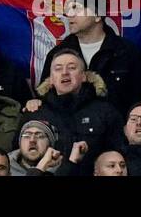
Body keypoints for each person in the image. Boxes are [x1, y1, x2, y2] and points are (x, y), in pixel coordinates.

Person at [32, 46, 124, 175]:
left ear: (84, 76)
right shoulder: (36, 113)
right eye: (58, 69)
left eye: (72, 68)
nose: (65, 72)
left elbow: (120, 156)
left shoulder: (106, 112)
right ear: (50, 79)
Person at [55, 0, 141, 115]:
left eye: (76, 8)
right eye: (69, 9)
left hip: (116, 131)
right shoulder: (58, 54)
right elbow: (47, 97)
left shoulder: (127, 52)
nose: (69, 15)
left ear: (97, 16)